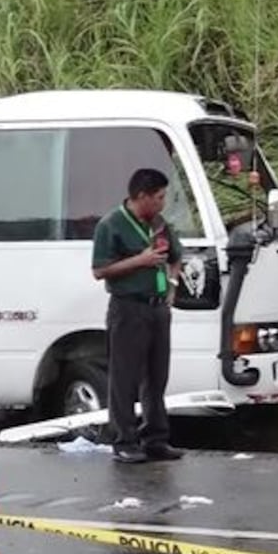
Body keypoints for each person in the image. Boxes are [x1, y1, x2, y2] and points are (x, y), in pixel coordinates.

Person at [91, 168, 185, 463]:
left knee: (157, 376)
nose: (162, 203)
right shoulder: (111, 225)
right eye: (158, 197)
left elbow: (176, 257)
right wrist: (139, 261)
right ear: (141, 196)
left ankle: (155, 437)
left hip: (157, 307)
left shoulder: (159, 224)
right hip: (127, 307)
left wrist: (171, 285)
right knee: (124, 376)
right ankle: (124, 440)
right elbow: (100, 270)